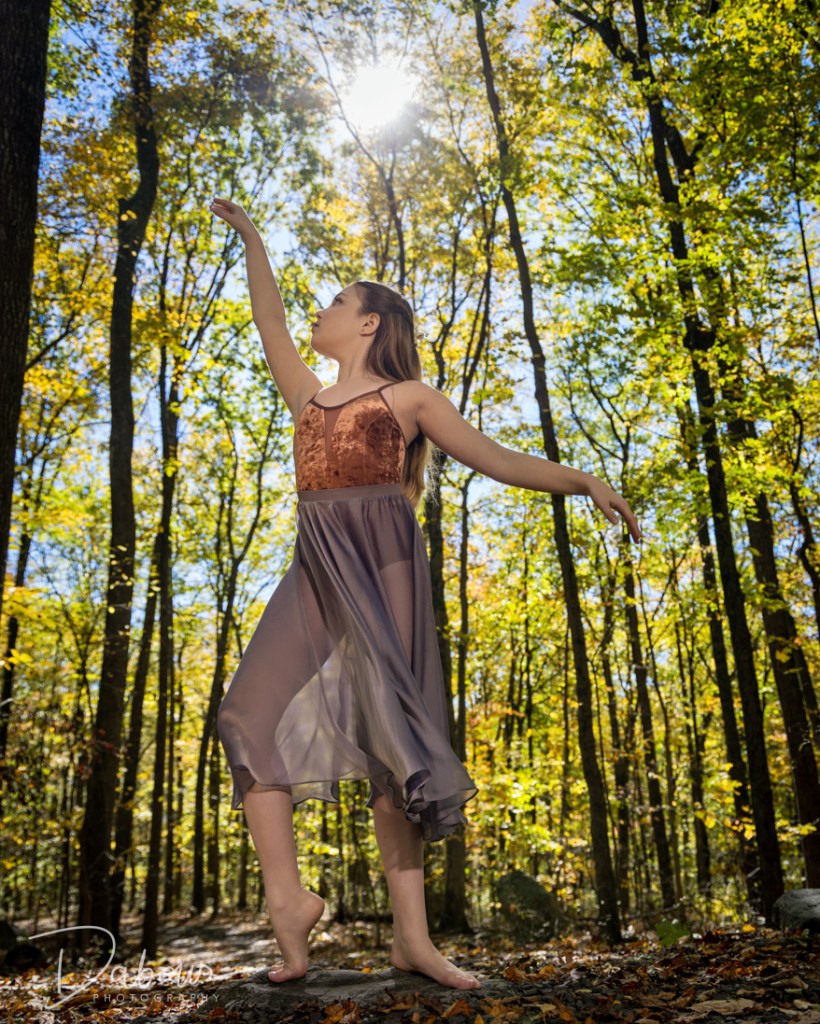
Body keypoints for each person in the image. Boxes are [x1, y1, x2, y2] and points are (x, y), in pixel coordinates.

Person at [208, 196, 642, 992]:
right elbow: (267, 315)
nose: (323, 309)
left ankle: (413, 941)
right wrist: (253, 239)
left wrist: (584, 479)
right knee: (242, 716)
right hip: (317, 564)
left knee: (395, 746)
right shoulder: (305, 395)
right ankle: (289, 905)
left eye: (339, 300)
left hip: (385, 563)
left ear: (370, 323)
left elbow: (498, 458)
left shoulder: (411, 398)